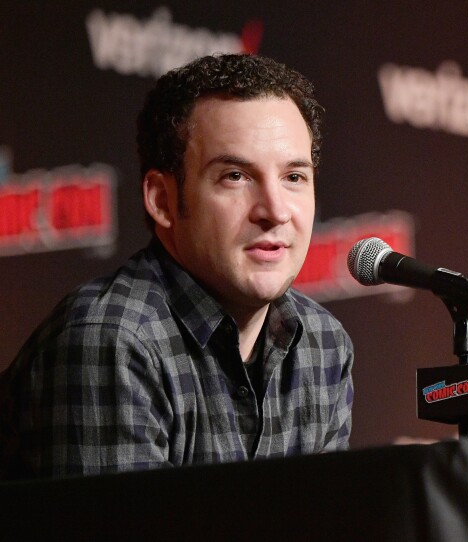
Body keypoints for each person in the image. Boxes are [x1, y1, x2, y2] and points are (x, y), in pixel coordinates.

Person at [0, 53, 354, 479]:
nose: (275, 211)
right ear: (162, 200)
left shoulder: (323, 345)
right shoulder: (112, 343)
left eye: (293, 177)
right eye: (235, 176)